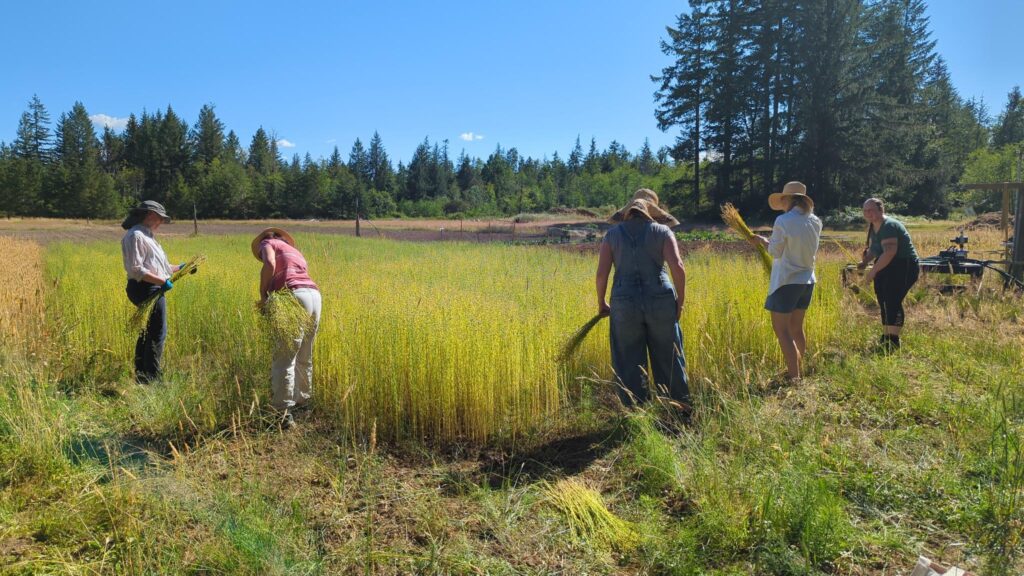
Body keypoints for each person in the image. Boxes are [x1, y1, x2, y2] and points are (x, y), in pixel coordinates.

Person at [596, 189, 691, 414]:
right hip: (660, 298)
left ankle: (636, 413)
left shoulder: (612, 235)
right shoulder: (662, 231)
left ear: (627, 212)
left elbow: (602, 274)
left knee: (628, 358)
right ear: (652, 212)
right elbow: (677, 266)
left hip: (624, 301)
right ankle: (679, 410)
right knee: (669, 354)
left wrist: (601, 302)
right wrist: (681, 301)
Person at [252, 227, 321, 429]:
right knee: (304, 356)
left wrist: (263, 294)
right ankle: (303, 402)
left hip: (293, 296)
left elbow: (270, 263)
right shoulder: (293, 250)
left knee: (284, 357)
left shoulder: (267, 243)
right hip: (314, 296)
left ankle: (281, 414)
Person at [752, 181, 822, 380]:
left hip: (786, 281)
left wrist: (763, 241)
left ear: (790, 199)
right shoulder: (815, 220)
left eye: (783, 198)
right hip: (807, 280)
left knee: (782, 330)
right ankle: (799, 369)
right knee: (796, 328)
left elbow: (775, 251)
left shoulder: (783, 220)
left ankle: (794, 378)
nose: (782, 202)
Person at [121, 200, 182, 384]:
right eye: (160, 218)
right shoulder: (136, 236)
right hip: (145, 288)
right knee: (157, 333)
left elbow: (159, 268)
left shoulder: (148, 237)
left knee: (147, 333)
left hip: (152, 286)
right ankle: (153, 378)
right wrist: (162, 281)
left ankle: (142, 375)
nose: (161, 222)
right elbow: (136, 270)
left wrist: (180, 267)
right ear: (149, 215)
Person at [857, 198, 919, 350]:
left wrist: (872, 271)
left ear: (880, 210)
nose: (868, 213)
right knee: (883, 299)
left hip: (903, 265)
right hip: (888, 265)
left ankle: (893, 340)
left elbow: (890, 252)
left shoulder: (889, 226)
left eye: (871, 210)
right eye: (865, 211)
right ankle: (886, 336)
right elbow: (876, 249)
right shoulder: (874, 226)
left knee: (892, 300)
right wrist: (865, 262)